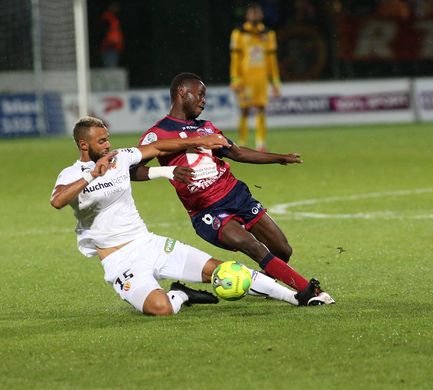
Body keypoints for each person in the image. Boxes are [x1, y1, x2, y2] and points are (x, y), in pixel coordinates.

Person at [51, 117, 330, 316]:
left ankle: (298, 296)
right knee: (160, 309)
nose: (108, 145)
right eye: (101, 141)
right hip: (118, 260)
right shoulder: (71, 174)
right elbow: (58, 200)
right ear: (83, 145)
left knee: (225, 270)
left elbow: (160, 148)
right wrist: (91, 174)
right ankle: (182, 294)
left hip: (149, 244)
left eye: (108, 138)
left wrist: (199, 141)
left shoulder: (119, 157)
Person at [137, 73, 335, 306]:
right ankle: (307, 291)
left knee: (282, 250)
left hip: (236, 195)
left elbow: (238, 153)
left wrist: (278, 158)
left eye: (205, 96)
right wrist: (166, 172)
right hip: (206, 210)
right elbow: (131, 170)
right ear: (182, 92)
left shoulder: (206, 128)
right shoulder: (157, 133)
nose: (203, 100)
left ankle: (261, 284)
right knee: (250, 245)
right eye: (200, 94)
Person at [230, 2, 280, 152]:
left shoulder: (268, 34)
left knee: (260, 108)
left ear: (262, 15)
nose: (255, 15)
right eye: (252, 12)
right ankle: (241, 143)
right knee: (244, 109)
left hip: (261, 78)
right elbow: (235, 59)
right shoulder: (238, 33)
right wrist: (235, 78)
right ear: (247, 15)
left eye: (257, 12)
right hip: (244, 79)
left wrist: (275, 81)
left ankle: (260, 144)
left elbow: (272, 60)